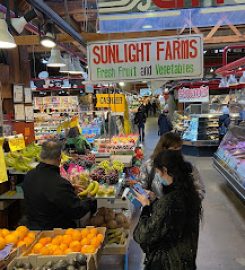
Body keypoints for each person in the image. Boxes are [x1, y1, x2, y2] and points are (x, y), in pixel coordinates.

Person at [133, 150, 202, 270]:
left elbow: (143, 235)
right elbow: (171, 219)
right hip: (186, 259)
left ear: (165, 170)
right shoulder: (190, 194)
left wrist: (146, 207)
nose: (159, 176)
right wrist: (155, 201)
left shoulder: (170, 201)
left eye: (159, 172)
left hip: (167, 263)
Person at [23, 140, 97, 229]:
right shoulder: (60, 183)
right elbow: (77, 211)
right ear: (60, 158)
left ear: (41, 156)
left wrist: (69, 190)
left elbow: (44, 194)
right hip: (56, 233)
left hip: (32, 230)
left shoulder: (29, 175)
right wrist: (90, 199)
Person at [140, 132, 205, 200]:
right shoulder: (149, 166)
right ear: (164, 149)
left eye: (179, 149)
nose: (177, 154)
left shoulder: (187, 167)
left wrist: (186, 202)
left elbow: (199, 190)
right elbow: (142, 189)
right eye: (174, 149)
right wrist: (149, 196)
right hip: (156, 209)